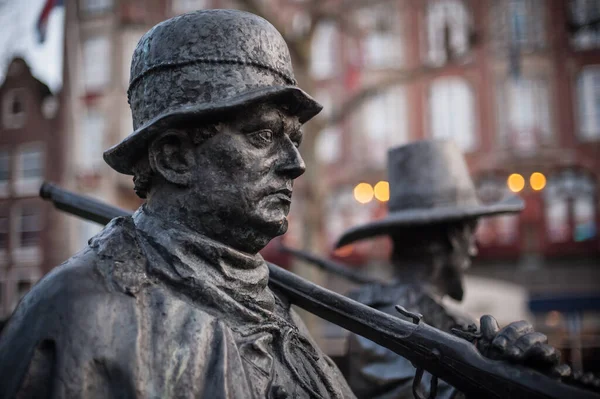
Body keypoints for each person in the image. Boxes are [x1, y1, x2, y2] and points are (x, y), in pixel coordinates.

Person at [0, 10, 353, 398]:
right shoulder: (80, 313)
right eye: (263, 135)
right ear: (174, 158)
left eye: (295, 141)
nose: (295, 164)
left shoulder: (281, 315)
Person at [337, 139, 568, 399]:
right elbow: (413, 392)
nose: (474, 249)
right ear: (454, 237)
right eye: (471, 236)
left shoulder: (457, 321)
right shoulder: (377, 321)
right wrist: (501, 380)